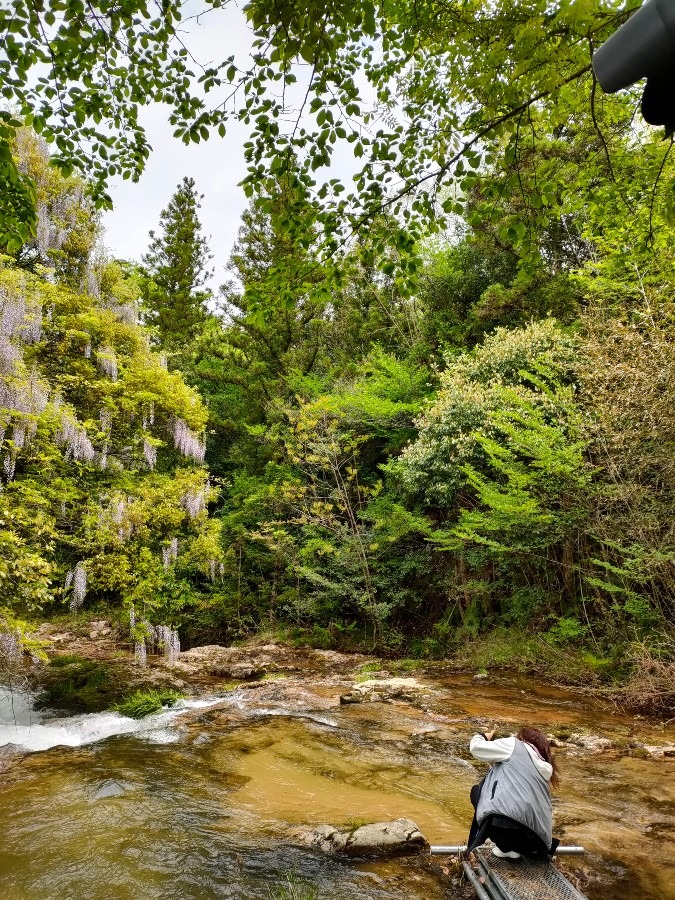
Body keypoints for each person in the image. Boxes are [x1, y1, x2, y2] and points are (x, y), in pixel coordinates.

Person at [467, 725, 560, 860]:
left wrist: (483, 736)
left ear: (523, 738)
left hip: (506, 830)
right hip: (536, 843)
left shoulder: (515, 745)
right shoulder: (544, 766)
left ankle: (505, 848)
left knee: (477, 791)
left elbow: (476, 748)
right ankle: (513, 849)